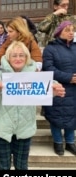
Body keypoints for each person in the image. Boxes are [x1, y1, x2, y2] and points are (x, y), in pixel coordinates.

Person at [0, 41, 65, 170]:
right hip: (1, 131)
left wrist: (56, 88)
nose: (18, 58)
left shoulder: (34, 74)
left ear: (26, 57)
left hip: (24, 131)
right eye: (14, 55)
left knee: (22, 167)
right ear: (8, 58)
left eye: (21, 55)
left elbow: (48, 84)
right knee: (4, 167)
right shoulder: (0, 73)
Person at [42, 21, 76, 156]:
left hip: (74, 90)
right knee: (56, 115)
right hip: (57, 88)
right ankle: (57, 142)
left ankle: (70, 142)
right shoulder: (51, 48)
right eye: (67, 30)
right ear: (59, 32)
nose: (71, 32)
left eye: (72, 30)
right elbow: (48, 69)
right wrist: (69, 77)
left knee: (72, 115)